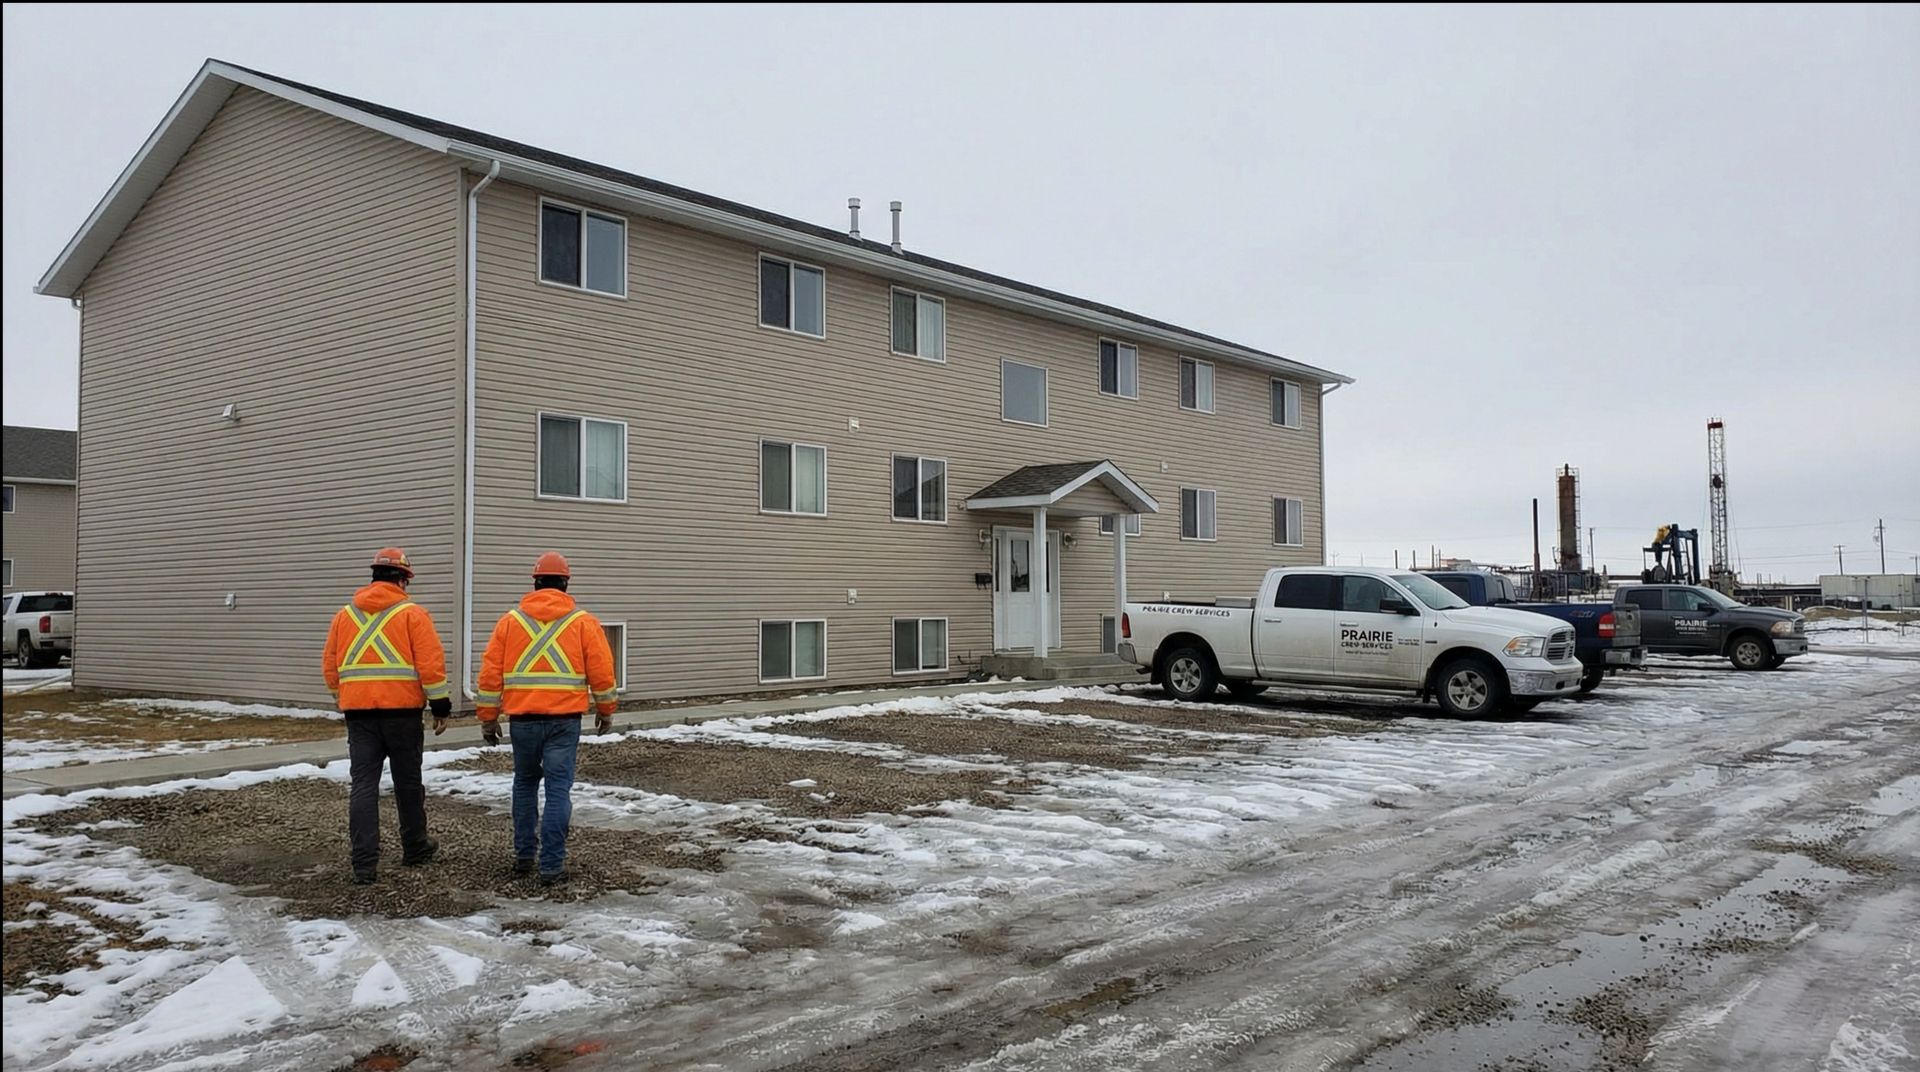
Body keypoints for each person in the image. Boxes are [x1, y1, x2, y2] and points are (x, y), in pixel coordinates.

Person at [476, 551, 618, 885]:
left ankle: (524, 856)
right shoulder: (582, 622)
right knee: (558, 790)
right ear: (566, 583)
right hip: (563, 721)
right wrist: (606, 708)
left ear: (535, 582)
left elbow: (490, 674)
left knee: (525, 784)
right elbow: (601, 669)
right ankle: (552, 866)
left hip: (523, 719)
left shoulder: (510, 622)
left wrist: (487, 717)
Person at [321, 547, 452, 885]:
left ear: (373, 577)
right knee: (407, 782)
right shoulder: (413, 614)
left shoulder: (344, 616)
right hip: (403, 713)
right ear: (403, 580)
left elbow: (330, 666)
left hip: (359, 714)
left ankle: (363, 865)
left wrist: (345, 696)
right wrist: (440, 706)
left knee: (363, 785)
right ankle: (415, 847)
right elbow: (431, 665)